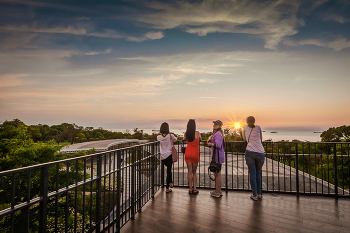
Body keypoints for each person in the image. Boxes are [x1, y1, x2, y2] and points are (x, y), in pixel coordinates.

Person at [242, 116, 265, 201]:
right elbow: (261, 139)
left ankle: (254, 195)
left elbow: (244, 139)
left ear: (246, 122)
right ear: (254, 121)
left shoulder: (244, 127)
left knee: (252, 173)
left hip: (250, 152)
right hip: (261, 153)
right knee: (258, 173)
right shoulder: (258, 127)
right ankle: (259, 194)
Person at [157, 122, 177, 193]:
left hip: (162, 156)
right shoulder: (171, 136)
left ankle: (169, 184)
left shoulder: (158, 137)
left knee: (165, 171)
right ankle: (168, 187)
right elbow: (175, 140)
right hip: (169, 155)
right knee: (169, 171)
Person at [207, 120, 225, 198]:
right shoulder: (217, 133)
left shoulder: (218, 133)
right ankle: (219, 190)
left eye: (216, 124)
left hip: (217, 156)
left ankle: (217, 192)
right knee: (217, 173)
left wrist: (211, 144)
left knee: (217, 174)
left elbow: (218, 145)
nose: (214, 125)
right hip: (217, 155)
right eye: (214, 124)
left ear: (219, 126)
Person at [183, 119, 201, 195]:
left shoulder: (186, 134)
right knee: (194, 172)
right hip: (195, 153)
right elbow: (200, 139)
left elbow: (184, 139)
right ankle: (194, 189)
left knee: (189, 171)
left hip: (188, 152)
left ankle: (190, 189)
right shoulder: (197, 133)